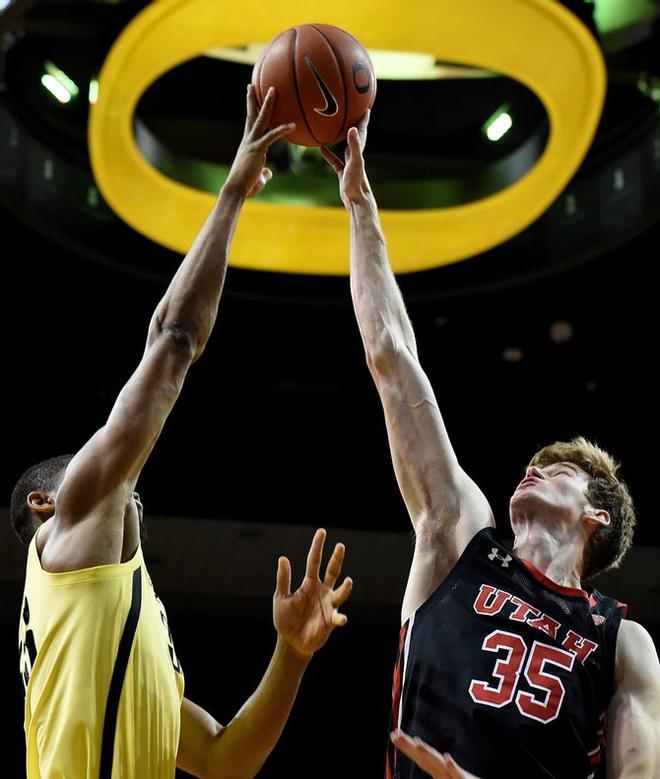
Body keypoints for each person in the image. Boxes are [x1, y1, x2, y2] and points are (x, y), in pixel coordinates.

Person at [11, 85, 353, 779]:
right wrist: (232, 192)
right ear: (47, 503)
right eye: (86, 462)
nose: (108, 462)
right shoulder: (72, 532)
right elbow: (171, 342)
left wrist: (290, 654)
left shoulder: (122, 615)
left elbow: (227, 759)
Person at [322, 115, 660, 778]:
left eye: (557, 469)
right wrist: (362, 209)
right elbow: (391, 358)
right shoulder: (459, 540)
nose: (532, 468)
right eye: (535, 463)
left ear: (596, 515)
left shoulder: (623, 642)